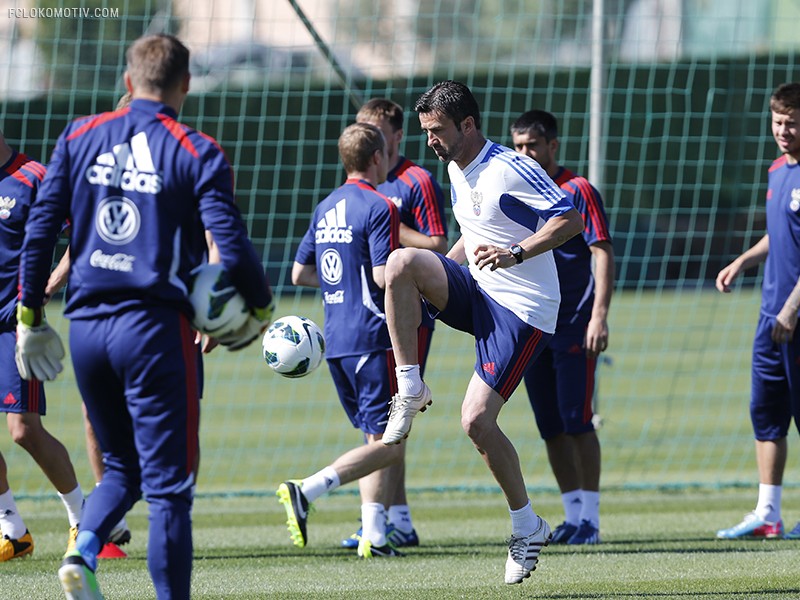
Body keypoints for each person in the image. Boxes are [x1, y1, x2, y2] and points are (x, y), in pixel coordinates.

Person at [16, 33, 273, 600]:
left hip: (85, 329)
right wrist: (259, 305)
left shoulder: (79, 134)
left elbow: (40, 229)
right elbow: (227, 238)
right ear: (185, 85)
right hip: (154, 330)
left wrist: (29, 315)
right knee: (171, 490)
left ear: (128, 83)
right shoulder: (195, 147)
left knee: (123, 469)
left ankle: (82, 552)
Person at [380, 80, 584, 584]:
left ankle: (527, 525)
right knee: (401, 262)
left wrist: (516, 254)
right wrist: (436, 281)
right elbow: (474, 234)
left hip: (524, 307)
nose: (430, 140)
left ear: (467, 125)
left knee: (475, 422)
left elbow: (569, 219)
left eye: (437, 130)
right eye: (426, 130)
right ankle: (410, 384)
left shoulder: (511, 167)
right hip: (480, 287)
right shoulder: (454, 165)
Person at [277, 122, 406, 558]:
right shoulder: (380, 205)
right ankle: (307, 490)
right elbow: (381, 275)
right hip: (372, 337)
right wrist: (428, 274)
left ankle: (375, 536)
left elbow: (299, 273)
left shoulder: (325, 205)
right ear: (377, 158)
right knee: (391, 443)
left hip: (336, 339)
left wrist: (343, 287)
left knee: (376, 440)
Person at [329, 97, 447, 550]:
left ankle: (386, 520)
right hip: (364, 316)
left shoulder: (416, 181)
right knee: (379, 423)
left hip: (408, 312)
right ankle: (396, 516)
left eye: (376, 131)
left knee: (392, 418)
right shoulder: (362, 189)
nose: (369, 138)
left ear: (395, 136)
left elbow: (437, 242)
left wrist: (386, 227)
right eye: (363, 129)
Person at [510, 110, 615, 545]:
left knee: (578, 422)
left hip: (574, 324)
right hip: (535, 324)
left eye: (531, 146)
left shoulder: (578, 190)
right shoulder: (516, 188)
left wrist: (599, 315)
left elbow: (602, 252)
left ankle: (590, 519)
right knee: (550, 426)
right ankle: (572, 515)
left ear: (553, 146)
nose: (524, 154)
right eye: (517, 147)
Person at [715, 81, 800, 542]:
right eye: (778, 122)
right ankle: (769, 514)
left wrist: (791, 308)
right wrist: (743, 260)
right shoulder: (776, 170)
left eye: (792, 122)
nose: (783, 131)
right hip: (772, 317)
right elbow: (780, 235)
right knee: (765, 412)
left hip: (794, 317)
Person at [0, 130, 85, 563]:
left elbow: (82, 229)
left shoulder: (33, 177)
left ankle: (81, 521)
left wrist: (53, 280)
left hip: (15, 326)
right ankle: (12, 530)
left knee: (23, 430)